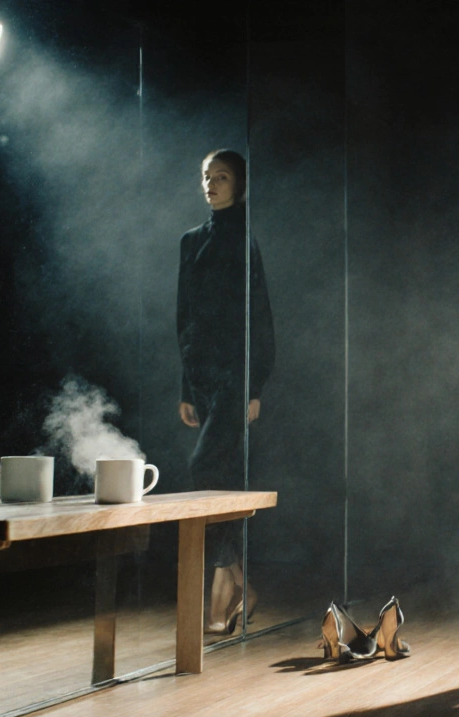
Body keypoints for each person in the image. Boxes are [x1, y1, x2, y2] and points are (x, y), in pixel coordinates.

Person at [176, 148, 275, 633]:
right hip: (203, 379)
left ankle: (224, 589)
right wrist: (186, 388)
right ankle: (240, 584)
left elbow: (261, 319)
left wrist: (255, 386)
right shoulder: (189, 241)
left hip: (236, 377)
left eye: (222, 177)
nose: (211, 184)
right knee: (223, 482)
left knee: (203, 469)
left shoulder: (244, 240)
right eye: (206, 176)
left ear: (240, 185)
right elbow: (184, 318)